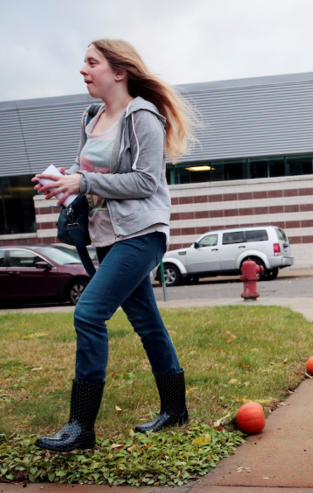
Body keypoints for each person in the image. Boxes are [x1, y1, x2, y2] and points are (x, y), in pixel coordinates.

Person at [33, 39, 195, 452]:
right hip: (108, 235)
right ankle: (175, 410)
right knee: (147, 323)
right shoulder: (92, 117)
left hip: (141, 234)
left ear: (119, 71)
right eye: (83, 62)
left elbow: (145, 181)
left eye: (92, 62)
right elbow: (83, 167)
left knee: (88, 313)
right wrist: (62, 180)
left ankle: (81, 426)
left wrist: (83, 183)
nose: (83, 70)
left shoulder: (143, 116)